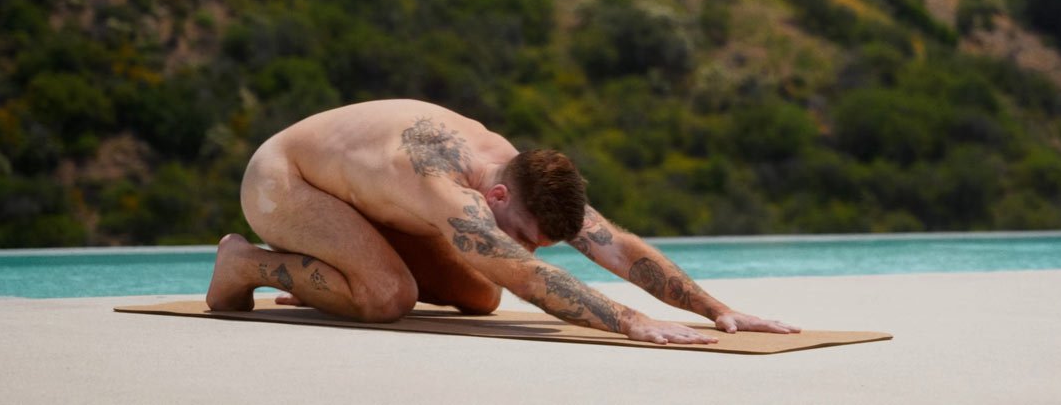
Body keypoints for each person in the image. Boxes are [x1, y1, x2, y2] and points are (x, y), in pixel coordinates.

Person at [207, 98, 799, 345]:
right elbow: (528, 278)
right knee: (387, 296)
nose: (527, 249)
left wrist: (715, 308)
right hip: (285, 180)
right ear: (494, 197)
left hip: (361, 194)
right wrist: (632, 322)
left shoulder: (522, 177)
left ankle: (334, 270)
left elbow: (616, 246)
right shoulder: (443, 182)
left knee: (479, 295)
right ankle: (243, 263)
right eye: (521, 236)